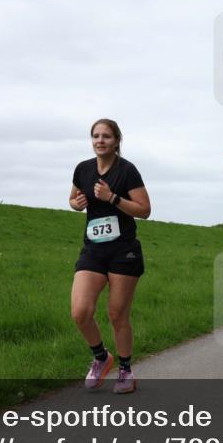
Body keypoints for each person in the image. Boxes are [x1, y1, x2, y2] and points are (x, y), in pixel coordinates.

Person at [69, 119, 151, 394]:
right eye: (95, 136)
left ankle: (126, 370)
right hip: (93, 249)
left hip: (123, 251)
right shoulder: (83, 169)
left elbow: (144, 209)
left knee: (117, 315)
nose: (100, 140)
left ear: (117, 141)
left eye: (106, 136)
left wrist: (112, 197)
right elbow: (73, 199)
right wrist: (76, 204)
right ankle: (102, 357)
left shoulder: (127, 171)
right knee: (80, 312)